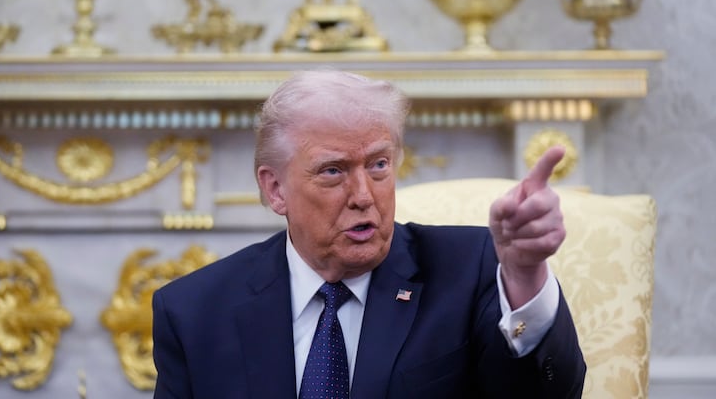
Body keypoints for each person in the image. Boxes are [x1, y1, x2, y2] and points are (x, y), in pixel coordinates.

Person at [152, 70, 586, 398]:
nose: (364, 196)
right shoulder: (194, 312)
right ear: (275, 189)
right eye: (333, 170)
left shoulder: (472, 270)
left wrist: (525, 275)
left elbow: (548, 395)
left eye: (378, 165)